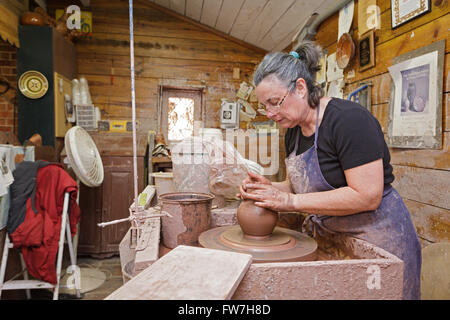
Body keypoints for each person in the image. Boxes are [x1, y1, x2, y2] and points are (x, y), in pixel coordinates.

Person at [238, 41, 421, 300]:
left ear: (300, 87)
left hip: (377, 242)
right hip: (331, 237)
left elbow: (368, 195)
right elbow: (296, 186)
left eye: (274, 102)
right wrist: (265, 190)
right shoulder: (292, 131)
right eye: (264, 106)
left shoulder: (348, 120)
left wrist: (289, 202)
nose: (270, 113)